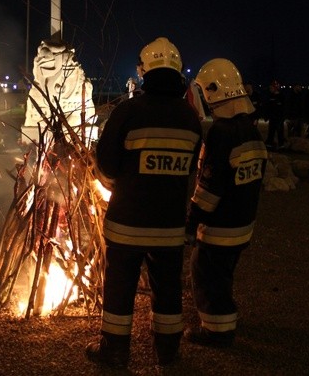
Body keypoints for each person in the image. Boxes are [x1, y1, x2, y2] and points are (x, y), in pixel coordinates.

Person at [87, 37, 203, 369]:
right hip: (169, 228)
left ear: (144, 71)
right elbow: (190, 169)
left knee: (119, 290)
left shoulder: (128, 111)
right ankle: (167, 352)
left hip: (126, 225)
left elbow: (106, 164)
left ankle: (114, 351)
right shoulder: (190, 118)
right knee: (167, 291)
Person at [185, 58, 268, 348]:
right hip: (243, 224)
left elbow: (209, 187)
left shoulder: (221, 133)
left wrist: (191, 222)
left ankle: (216, 332)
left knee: (205, 273)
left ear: (212, 91)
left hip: (220, 227)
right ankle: (225, 321)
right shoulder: (250, 130)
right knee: (223, 276)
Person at [263, 79, 286, 149]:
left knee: (280, 132)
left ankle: (281, 145)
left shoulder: (282, 96)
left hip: (279, 118)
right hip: (272, 118)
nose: (270, 89)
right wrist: (266, 116)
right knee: (271, 132)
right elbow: (268, 107)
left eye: (271, 88)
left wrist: (283, 117)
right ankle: (269, 145)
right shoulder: (270, 96)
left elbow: (284, 108)